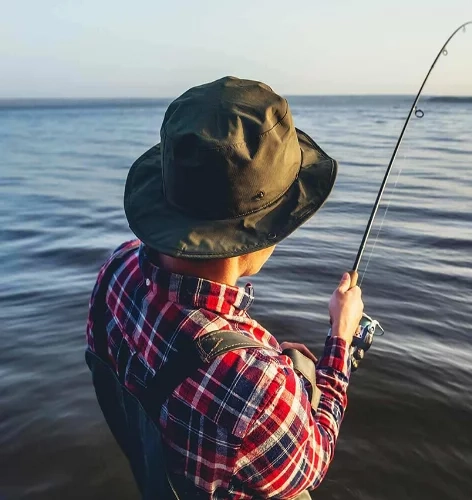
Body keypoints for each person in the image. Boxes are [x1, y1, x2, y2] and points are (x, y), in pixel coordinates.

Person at [85, 76, 363, 499]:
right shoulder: (260, 389)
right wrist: (339, 343)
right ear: (262, 230)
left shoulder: (115, 270)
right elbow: (312, 462)